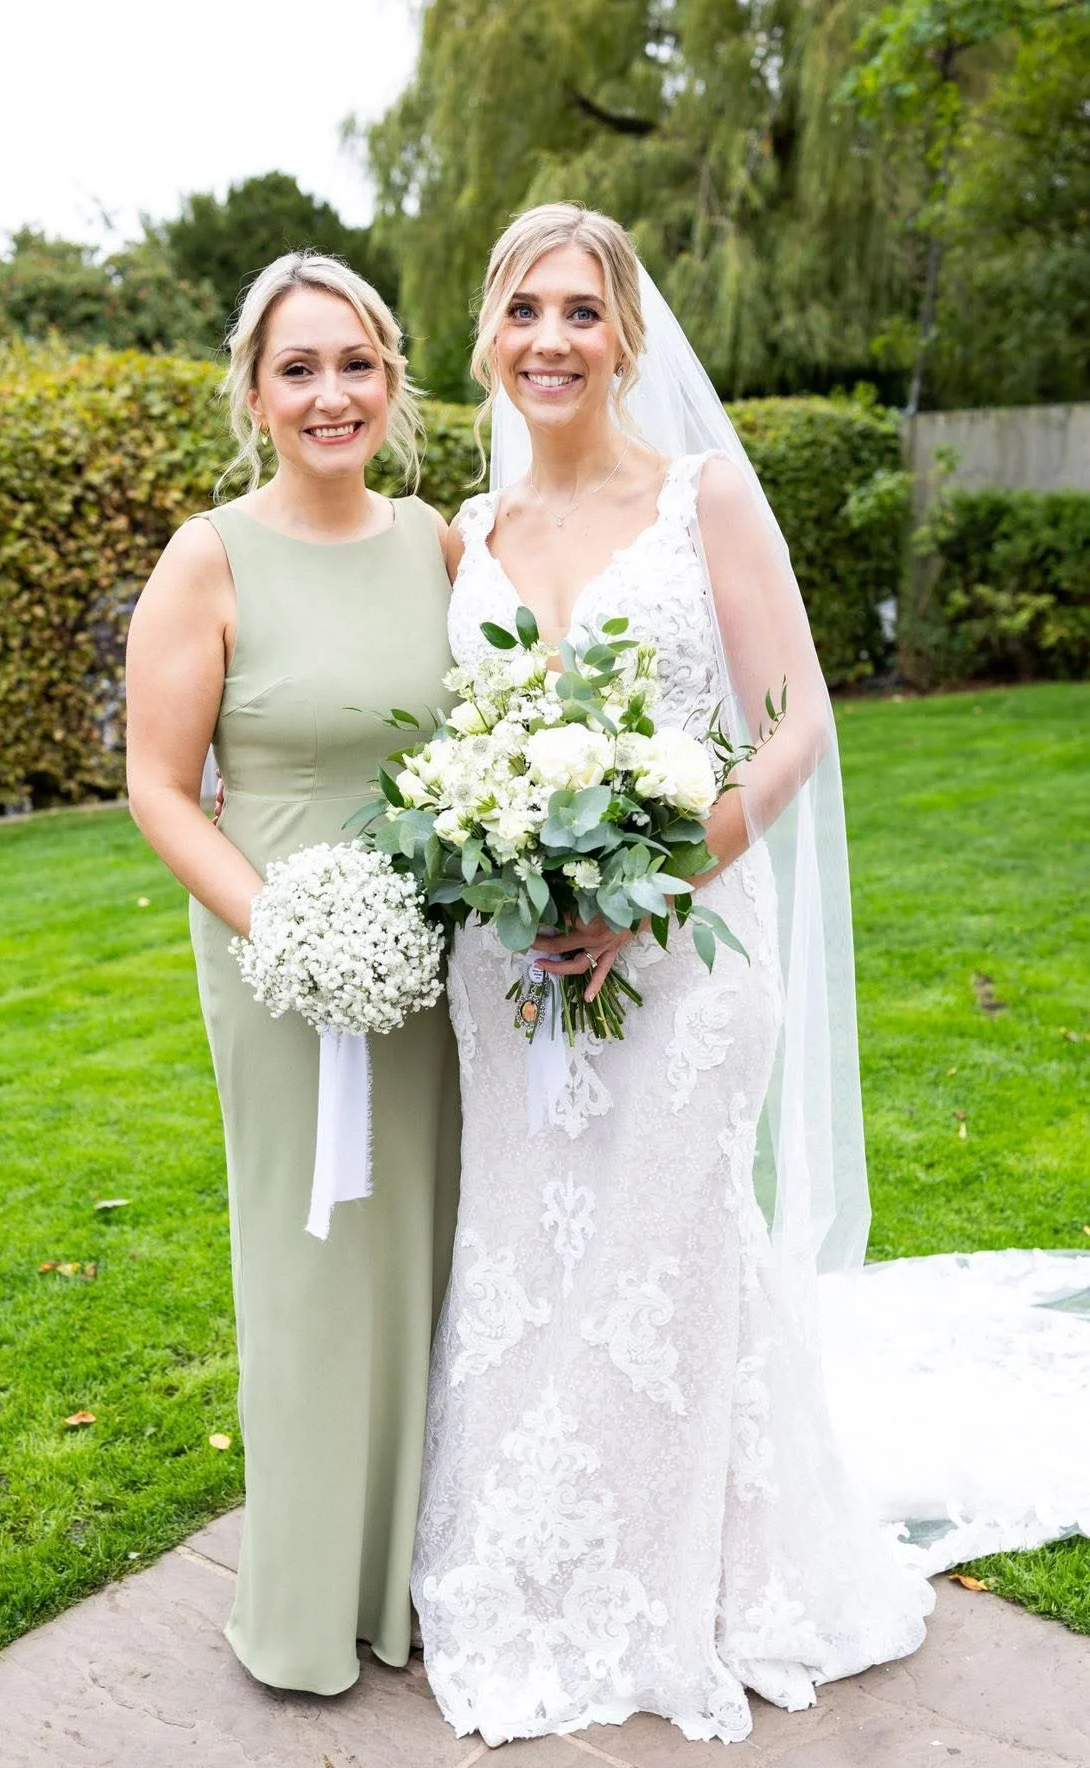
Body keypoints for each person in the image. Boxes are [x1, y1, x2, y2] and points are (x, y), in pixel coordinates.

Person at [411, 203, 935, 1747]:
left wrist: (656, 883)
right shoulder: (464, 534)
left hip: (691, 952)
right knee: (528, 1249)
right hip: (515, 970)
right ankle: (525, 1551)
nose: (552, 342)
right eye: (525, 313)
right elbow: (438, 743)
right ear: (489, 339)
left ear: (627, 335)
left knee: (665, 1251)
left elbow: (796, 719)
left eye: (581, 312)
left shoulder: (700, 498)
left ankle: (690, 1576)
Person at [125, 253, 460, 1693]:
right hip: (279, 963)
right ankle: (311, 1605)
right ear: (254, 394)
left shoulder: (441, 542)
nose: (331, 394)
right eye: (299, 369)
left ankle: (421, 1582)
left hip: (440, 961)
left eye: (356, 365)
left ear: (393, 380)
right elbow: (157, 785)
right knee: (315, 1264)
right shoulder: (208, 555)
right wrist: (284, 927)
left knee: (435, 1258)